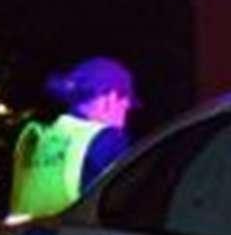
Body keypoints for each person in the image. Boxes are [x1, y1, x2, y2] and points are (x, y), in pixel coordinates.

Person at [8, 57, 137, 220]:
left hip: (20, 234)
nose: (126, 109)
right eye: (126, 102)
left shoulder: (34, 136)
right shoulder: (108, 139)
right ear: (110, 98)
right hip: (74, 234)